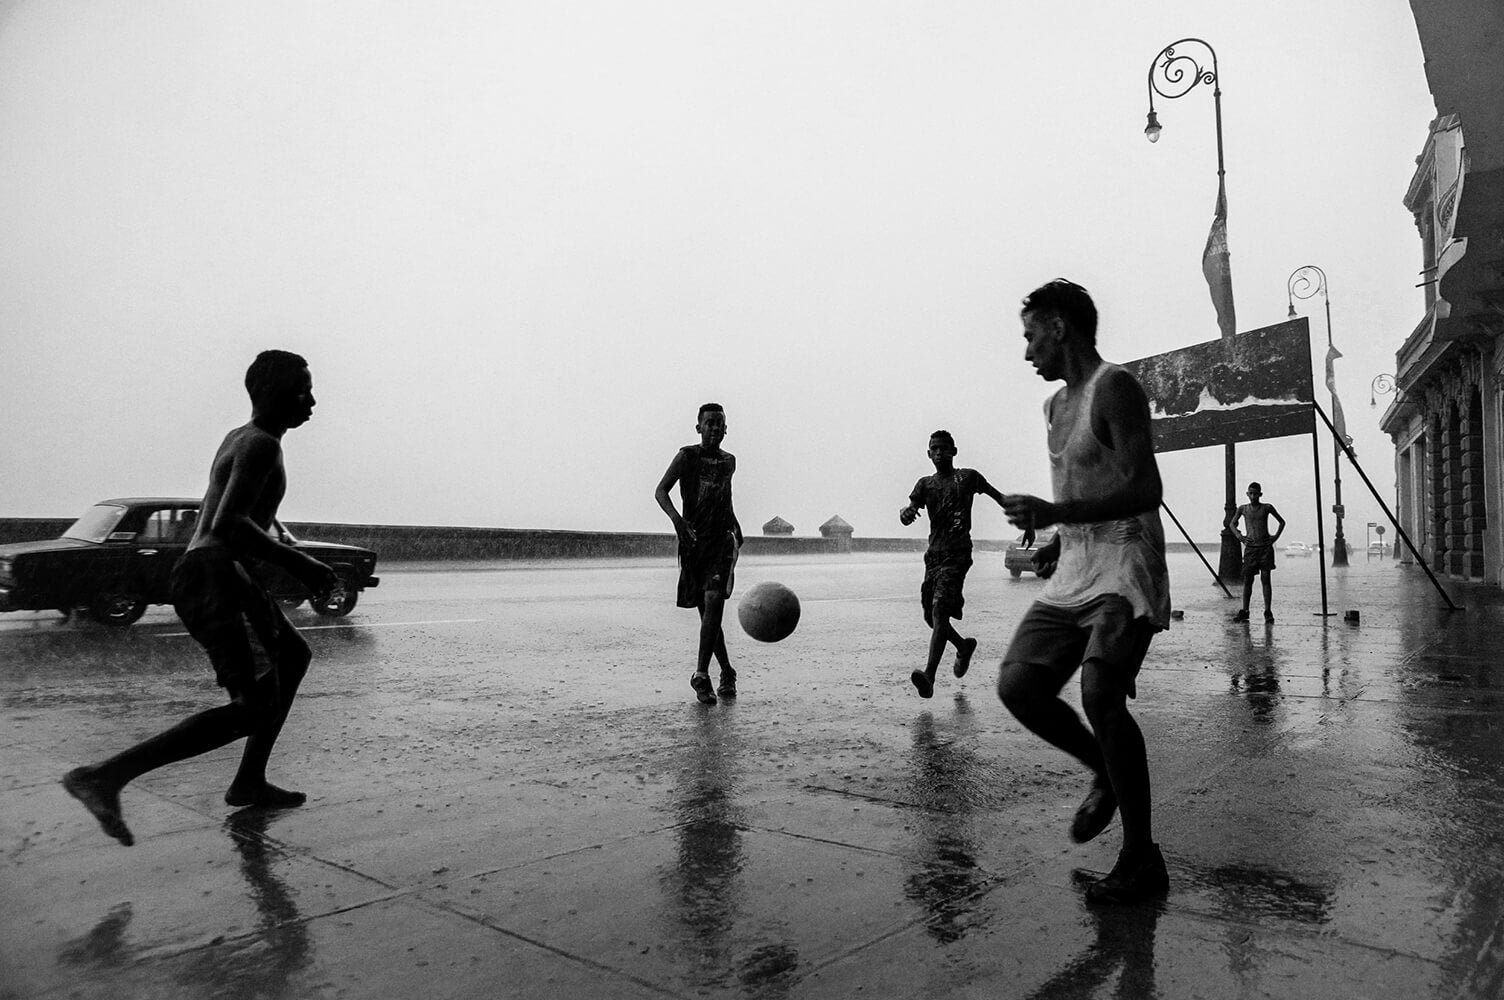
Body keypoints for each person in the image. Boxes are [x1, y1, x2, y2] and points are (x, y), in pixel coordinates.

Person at [62, 350, 337, 846]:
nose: (312, 400)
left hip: (224, 572)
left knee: (293, 657)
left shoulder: (246, 438)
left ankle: (249, 779)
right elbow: (227, 523)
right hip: (214, 575)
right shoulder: (259, 446)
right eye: (303, 389)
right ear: (273, 392)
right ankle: (103, 777)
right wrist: (301, 563)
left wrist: (284, 553)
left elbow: (241, 518)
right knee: (250, 707)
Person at [996, 279, 1173, 904]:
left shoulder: (1115, 388)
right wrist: (1054, 536)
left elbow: (1145, 488)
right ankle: (1102, 769)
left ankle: (1140, 858)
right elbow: (1078, 492)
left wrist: (1052, 511)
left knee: (1100, 691)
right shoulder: (1053, 408)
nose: (1027, 353)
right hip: (1077, 564)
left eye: (1030, 337)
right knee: (1018, 685)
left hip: (1126, 559)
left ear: (1059, 328)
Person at [899, 430, 1022, 698]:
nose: (940, 452)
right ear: (928, 454)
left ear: (954, 452)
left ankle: (929, 676)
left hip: (957, 555)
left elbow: (998, 497)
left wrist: (1024, 520)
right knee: (931, 618)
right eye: (935, 449)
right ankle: (963, 647)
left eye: (944, 448)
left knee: (940, 611)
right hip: (933, 556)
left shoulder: (967, 478)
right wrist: (906, 513)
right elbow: (908, 510)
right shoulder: (924, 484)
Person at [655, 402, 744, 705]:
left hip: (721, 541)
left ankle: (701, 675)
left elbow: (726, 498)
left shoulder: (729, 461)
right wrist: (677, 522)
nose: (715, 428)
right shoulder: (687, 457)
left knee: (714, 600)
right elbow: (661, 491)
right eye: (710, 423)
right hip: (694, 543)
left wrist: (736, 525)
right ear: (699, 427)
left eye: (720, 423)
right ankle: (728, 672)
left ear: (726, 429)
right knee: (709, 615)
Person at [1227, 482, 1286, 622]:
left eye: (1255, 493)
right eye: (1251, 493)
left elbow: (1282, 522)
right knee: (1248, 580)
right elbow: (1231, 524)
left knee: (1266, 579)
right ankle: (1245, 610)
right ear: (1247, 494)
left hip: (1265, 548)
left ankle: (1267, 611)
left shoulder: (1267, 508)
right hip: (1251, 549)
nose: (1253, 496)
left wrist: (1275, 537)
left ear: (1260, 494)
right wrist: (1240, 537)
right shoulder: (1243, 509)